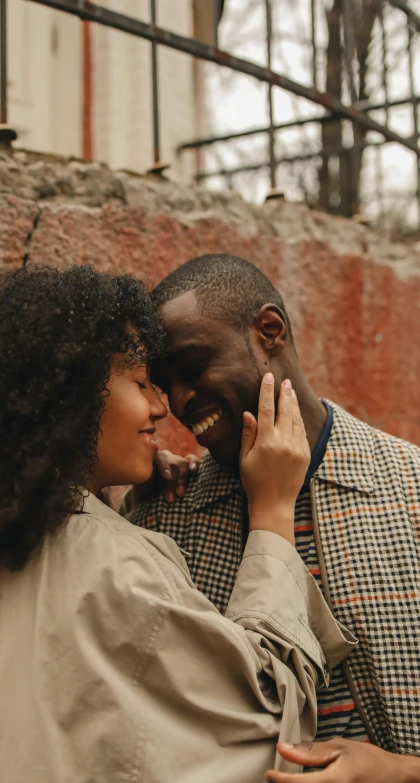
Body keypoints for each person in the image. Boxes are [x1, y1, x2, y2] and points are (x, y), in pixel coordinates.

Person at [0, 265, 352, 783]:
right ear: (66, 402)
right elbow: (272, 714)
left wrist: (116, 504)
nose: (166, 406)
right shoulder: (118, 564)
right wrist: (271, 509)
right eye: (142, 382)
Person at [125, 253, 420, 782]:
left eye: (192, 368)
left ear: (269, 330)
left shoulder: (411, 489)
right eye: (165, 384)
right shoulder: (166, 520)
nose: (179, 402)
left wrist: (399, 771)